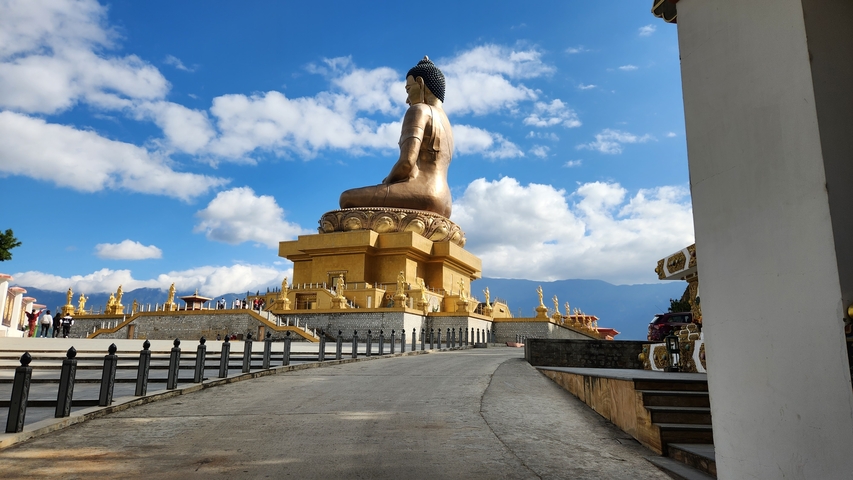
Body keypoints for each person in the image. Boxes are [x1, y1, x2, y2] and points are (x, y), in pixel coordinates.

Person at [339, 56, 454, 217]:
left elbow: (407, 163)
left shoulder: (419, 110)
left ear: (420, 83)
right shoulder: (447, 123)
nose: (407, 100)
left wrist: (387, 181)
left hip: (423, 193)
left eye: (408, 89)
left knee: (347, 199)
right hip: (445, 202)